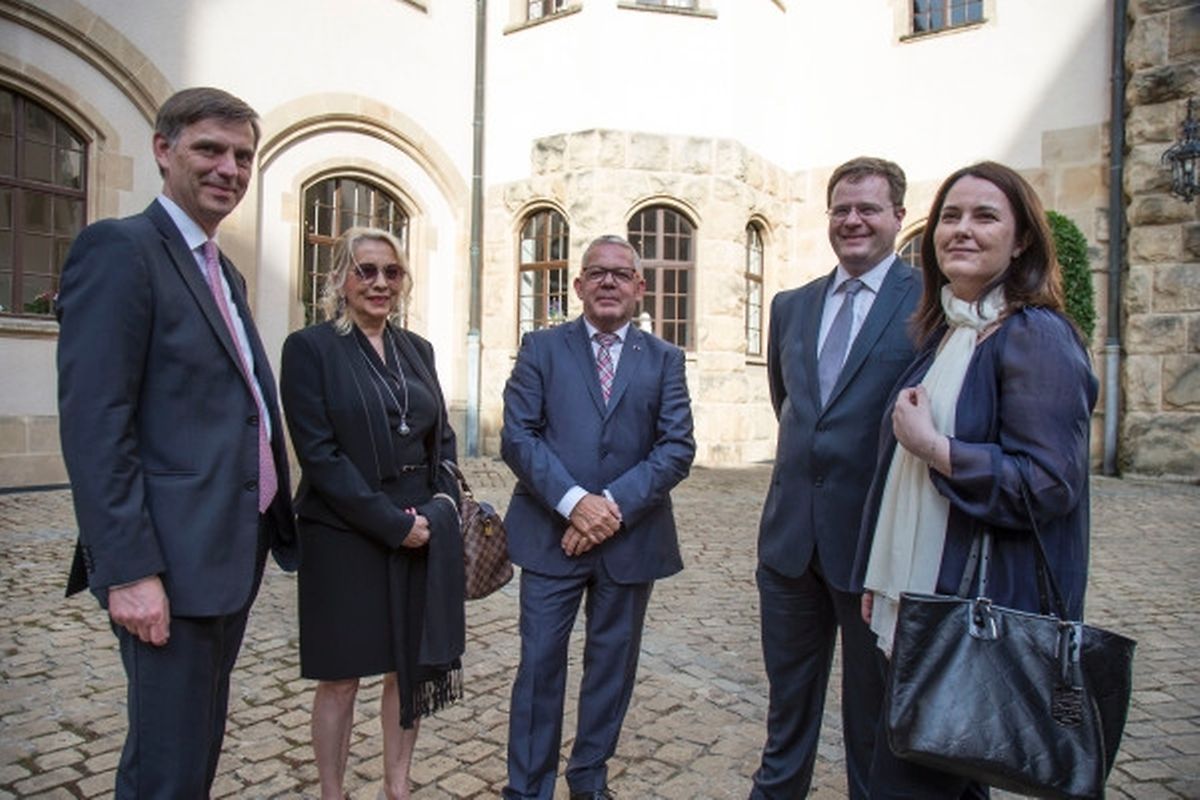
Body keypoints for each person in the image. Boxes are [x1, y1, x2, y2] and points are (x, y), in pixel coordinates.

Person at [56, 86, 299, 797]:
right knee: (170, 762)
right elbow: (98, 423)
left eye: (243, 157)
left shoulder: (222, 270)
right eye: (210, 150)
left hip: (227, 548)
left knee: (184, 748)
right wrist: (128, 570)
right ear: (164, 151)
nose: (229, 168)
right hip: (167, 559)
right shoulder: (121, 250)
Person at [851, 161, 1098, 798]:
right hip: (921, 604)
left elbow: (1048, 486)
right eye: (950, 216)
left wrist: (940, 448)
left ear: (1021, 241)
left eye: (984, 216)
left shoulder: (1035, 335)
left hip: (969, 615)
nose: (961, 229)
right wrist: (882, 580)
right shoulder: (948, 334)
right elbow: (898, 479)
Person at [500, 234, 696, 800]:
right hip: (549, 536)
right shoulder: (541, 347)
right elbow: (519, 436)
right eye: (597, 273)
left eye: (621, 273)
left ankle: (588, 780)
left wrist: (607, 509)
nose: (608, 282)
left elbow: (677, 447)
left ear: (639, 287)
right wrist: (573, 504)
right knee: (539, 667)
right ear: (578, 286)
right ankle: (528, 789)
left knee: (611, 671)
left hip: (630, 542)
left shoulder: (664, 359)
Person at [751, 157, 920, 799]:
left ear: (897, 218)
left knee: (871, 725)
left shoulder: (926, 301)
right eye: (842, 209)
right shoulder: (791, 307)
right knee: (785, 718)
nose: (853, 220)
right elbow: (793, 408)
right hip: (790, 549)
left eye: (868, 209)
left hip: (875, 553)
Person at [279, 227, 464, 800]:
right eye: (366, 270)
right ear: (340, 278)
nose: (379, 282)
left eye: (391, 272)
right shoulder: (310, 349)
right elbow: (320, 456)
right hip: (343, 534)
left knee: (403, 671)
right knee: (340, 677)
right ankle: (333, 793)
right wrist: (393, 525)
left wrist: (439, 508)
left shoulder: (419, 349)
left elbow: (443, 441)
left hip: (420, 527)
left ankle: (397, 786)